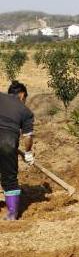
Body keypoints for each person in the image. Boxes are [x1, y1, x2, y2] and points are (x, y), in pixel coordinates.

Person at [0, 81, 35, 221]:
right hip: (7, 143)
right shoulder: (26, 111)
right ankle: (12, 214)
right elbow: (28, 137)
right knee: (9, 178)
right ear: (22, 95)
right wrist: (28, 152)